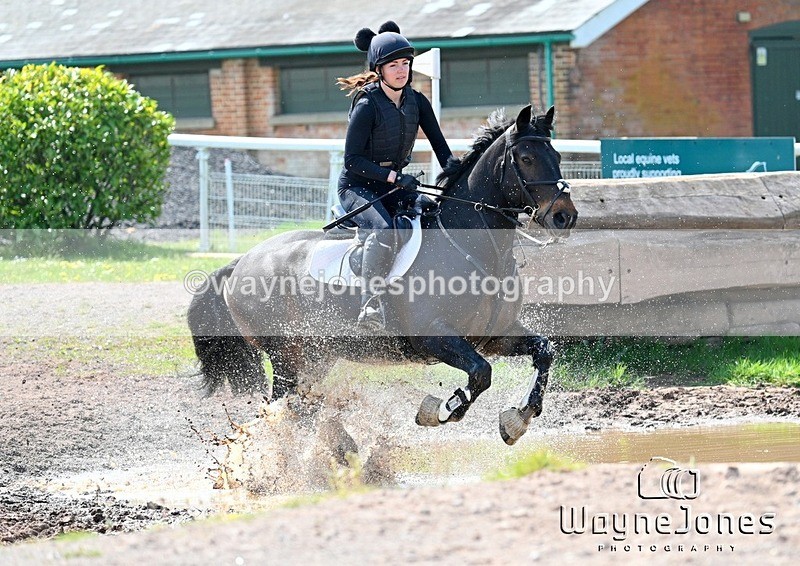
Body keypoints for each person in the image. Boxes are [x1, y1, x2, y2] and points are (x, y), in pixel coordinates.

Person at [337, 21, 454, 330]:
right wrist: (392, 178)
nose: (402, 70)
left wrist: (457, 175)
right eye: (393, 65)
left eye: (405, 63)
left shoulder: (417, 101)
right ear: (379, 69)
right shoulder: (366, 105)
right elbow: (352, 161)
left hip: (392, 185)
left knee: (434, 210)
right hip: (357, 187)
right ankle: (370, 304)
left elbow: (442, 149)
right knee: (385, 230)